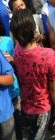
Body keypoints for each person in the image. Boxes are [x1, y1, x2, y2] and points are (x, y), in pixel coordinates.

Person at [10, 9, 55, 140]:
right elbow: (52, 89)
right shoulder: (49, 55)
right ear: (33, 28)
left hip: (25, 106)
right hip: (43, 109)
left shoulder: (17, 50)